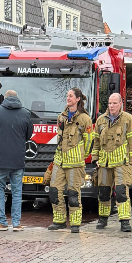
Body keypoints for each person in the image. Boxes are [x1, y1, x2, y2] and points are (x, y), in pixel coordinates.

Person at [0, 90, 34, 231]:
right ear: (17, 98)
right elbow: (29, 135)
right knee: (17, 192)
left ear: (4, 99)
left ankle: (2, 222)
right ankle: (16, 224)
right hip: (18, 159)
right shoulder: (26, 113)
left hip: (0, 159)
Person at [91, 92, 132, 233]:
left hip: (122, 163)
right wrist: (95, 159)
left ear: (120, 104)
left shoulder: (128, 119)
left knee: (121, 191)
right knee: (104, 192)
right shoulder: (101, 120)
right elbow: (96, 142)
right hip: (104, 163)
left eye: (114, 103)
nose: (111, 106)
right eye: (110, 103)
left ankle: (125, 221)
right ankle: (103, 218)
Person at [48, 88, 93, 233]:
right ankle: (59, 221)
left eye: (71, 96)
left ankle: (75, 224)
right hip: (60, 161)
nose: (68, 98)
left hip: (75, 163)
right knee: (54, 191)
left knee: (73, 194)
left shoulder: (85, 119)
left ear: (78, 99)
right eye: (67, 96)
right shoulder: (61, 117)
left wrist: (80, 156)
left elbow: (89, 142)